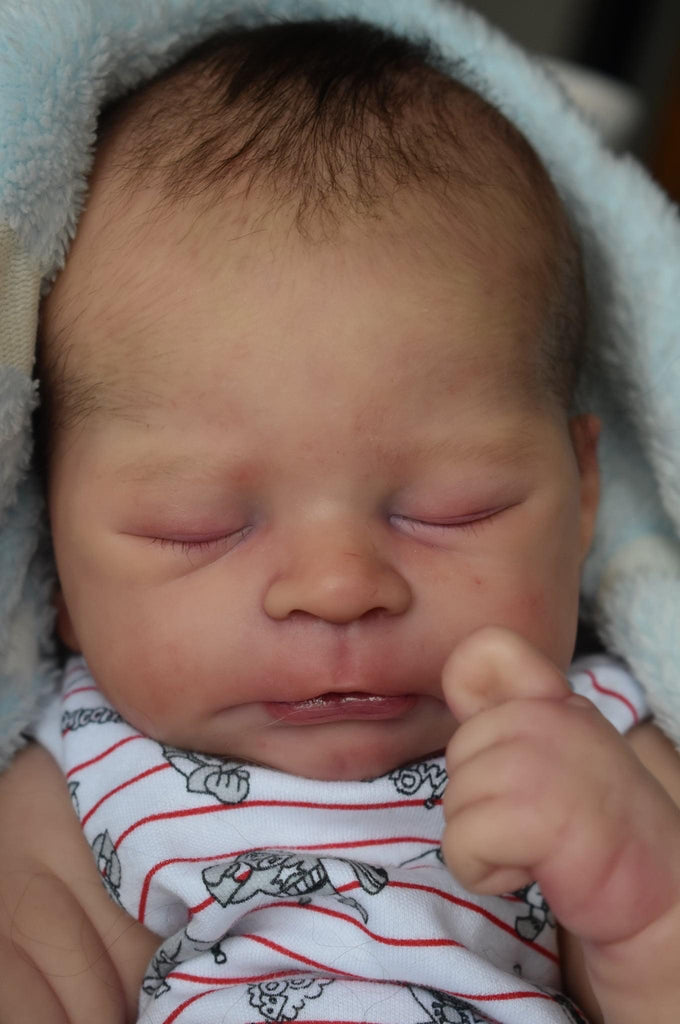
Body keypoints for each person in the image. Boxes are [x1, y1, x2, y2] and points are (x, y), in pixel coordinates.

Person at [1, 17, 680, 1024]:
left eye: (453, 509)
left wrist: (643, 911)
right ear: (55, 557)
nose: (337, 586)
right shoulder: (81, 775)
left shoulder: (595, 745)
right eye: (198, 526)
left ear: (581, 500)